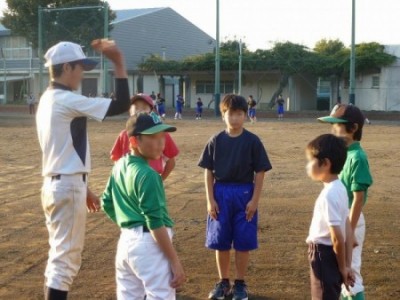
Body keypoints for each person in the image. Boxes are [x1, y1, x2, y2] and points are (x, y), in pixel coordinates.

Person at [36, 39, 130, 299]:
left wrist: (84, 187)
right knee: (64, 262)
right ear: (67, 67)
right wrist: (119, 63)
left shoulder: (47, 99)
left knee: (59, 258)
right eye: (80, 67)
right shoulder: (66, 99)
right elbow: (121, 105)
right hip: (66, 185)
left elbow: (61, 147)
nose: (82, 73)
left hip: (57, 183)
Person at [102, 112, 186, 299]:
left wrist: (129, 224)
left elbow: (106, 202)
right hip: (150, 245)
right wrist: (174, 261)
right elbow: (155, 222)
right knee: (160, 296)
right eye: (153, 137)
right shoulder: (149, 175)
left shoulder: (119, 166)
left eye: (162, 137)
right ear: (133, 141)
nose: (160, 143)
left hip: (126, 243)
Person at [198, 94, 272, 300]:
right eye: (230, 113)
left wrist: (255, 200)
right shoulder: (215, 140)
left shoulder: (252, 141)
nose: (235, 118)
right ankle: (223, 282)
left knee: (243, 240)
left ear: (246, 116)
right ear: (223, 115)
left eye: (240, 114)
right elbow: (208, 171)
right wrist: (210, 199)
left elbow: (260, 172)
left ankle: (239, 283)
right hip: (221, 193)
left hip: (244, 193)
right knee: (220, 240)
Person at [318, 104, 373, 300]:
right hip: (338, 219)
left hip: (351, 219)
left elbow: (358, 198)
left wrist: (349, 229)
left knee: (351, 270)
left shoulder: (358, 157)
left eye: (338, 125)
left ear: (354, 128)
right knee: (340, 269)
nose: (334, 129)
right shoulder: (342, 155)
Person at [305, 134, 355, 300]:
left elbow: (337, 239)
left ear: (325, 163)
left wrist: (342, 268)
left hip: (323, 255)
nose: (308, 166)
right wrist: (347, 265)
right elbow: (348, 228)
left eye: (311, 161)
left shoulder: (329, 195)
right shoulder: (340, 187)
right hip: (332, 256)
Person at [110, 93, 179, 180]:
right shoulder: (124, 135)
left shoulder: (162, 133)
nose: (139, 111)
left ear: (151, 110)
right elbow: (116, 158)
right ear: (129, 111)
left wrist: (160, 180)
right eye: (136, 107)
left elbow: (171, 162)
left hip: (151, 178)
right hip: (129, 179)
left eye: (144, 107)